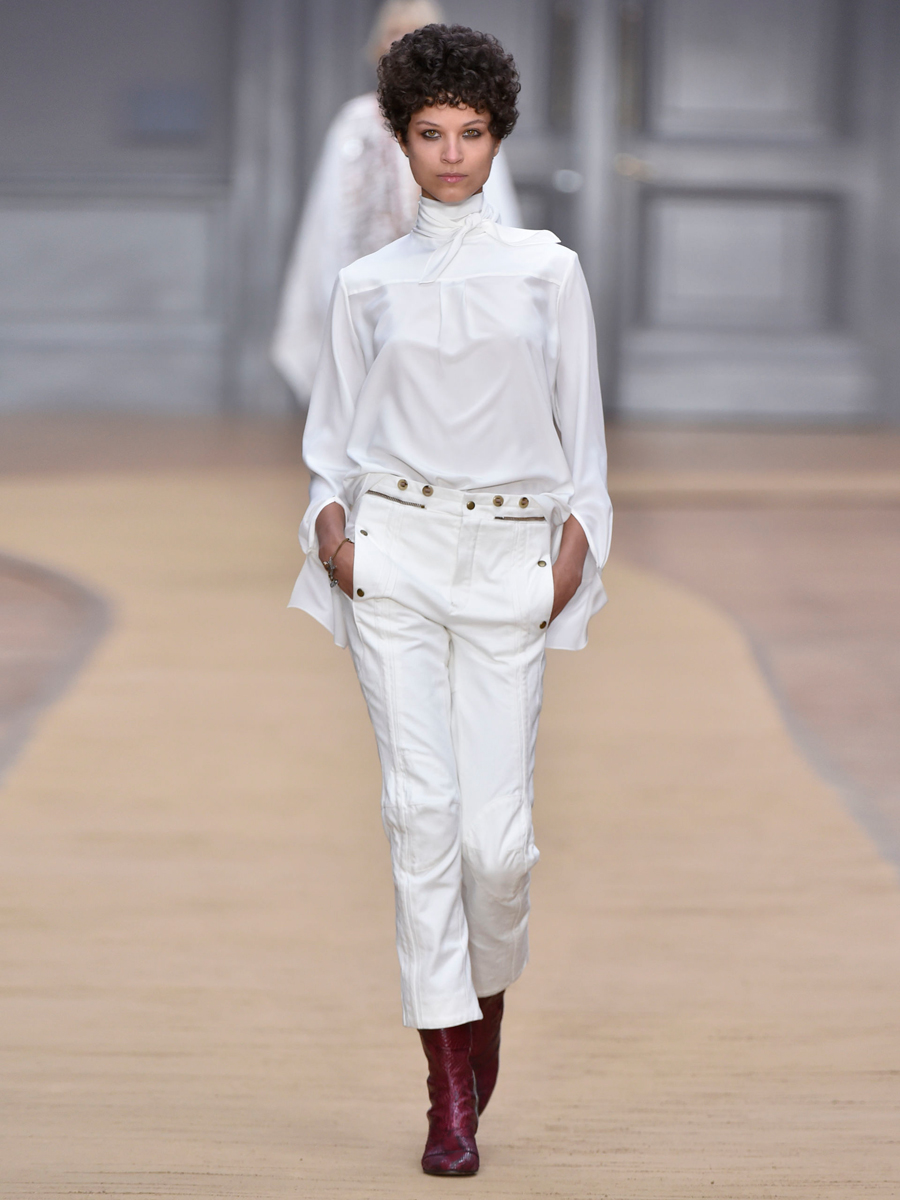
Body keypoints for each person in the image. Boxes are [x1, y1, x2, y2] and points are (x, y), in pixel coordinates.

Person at [289, 24, 611, 1177]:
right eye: (431, 132)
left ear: (498, 135)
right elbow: (330, 448)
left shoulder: (548, 272)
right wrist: (339, 543)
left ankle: (481, 1007)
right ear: (402, 138)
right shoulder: (365, 286)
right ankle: (447, 1091)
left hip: (512, 563)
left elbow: (586, 451)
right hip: (396, 558)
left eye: (472, 131)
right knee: (421, 816)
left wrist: (563, 568)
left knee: (499, 847)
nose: (454, 153)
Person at [271, 0, 521, 407]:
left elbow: (492, 196)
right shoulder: (355, 119)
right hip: (370, 269)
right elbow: (331, 210)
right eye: (393, 35)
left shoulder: (467, 117)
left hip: (443, 270)